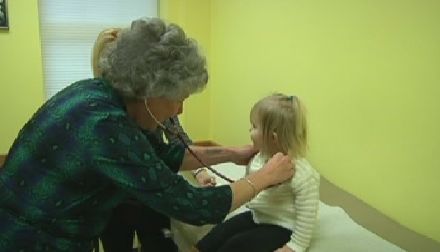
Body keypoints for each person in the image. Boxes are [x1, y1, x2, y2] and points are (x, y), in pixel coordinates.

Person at [0, 17, 294, 251]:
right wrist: (264, 177)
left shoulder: (99, 95)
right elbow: (193, 205)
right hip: (32, 240)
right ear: (150, 90)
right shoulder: (103, 124)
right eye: (179, 97)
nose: (179, 110)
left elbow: (166, 155)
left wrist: (233, 153)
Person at [91, 27, 216, 252]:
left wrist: (200, 171)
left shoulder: (152, 100)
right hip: (114, 202)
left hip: (151, 196)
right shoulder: (103, 113)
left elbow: (177, 137)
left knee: (159, 243)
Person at [195, 93, 320, 252]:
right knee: (218, 234)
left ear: (272, 137)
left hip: (281, 227)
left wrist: (295, 246)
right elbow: (248, 185)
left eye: (254, 126)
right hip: (257, 215)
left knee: (236, 245)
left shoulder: (302, 174)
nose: (249, 129)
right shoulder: (258, 159)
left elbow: (307, 216)